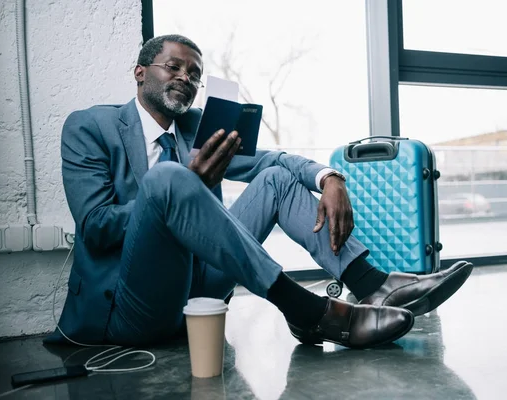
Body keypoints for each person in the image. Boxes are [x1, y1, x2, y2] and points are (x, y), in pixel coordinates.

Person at [45, 34, 473, 350]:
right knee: (168, 179)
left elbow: (273, 160)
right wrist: (184, 183)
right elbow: (97, 228)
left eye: (194, 74)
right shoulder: (90, 127)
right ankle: (306, 310)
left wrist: (329, 178)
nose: (185, 79)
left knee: (277, 180)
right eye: (173, 67)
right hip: (132, 303)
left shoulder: (198, 127)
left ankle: (372, 283)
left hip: (202, 290)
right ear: (141, 73)